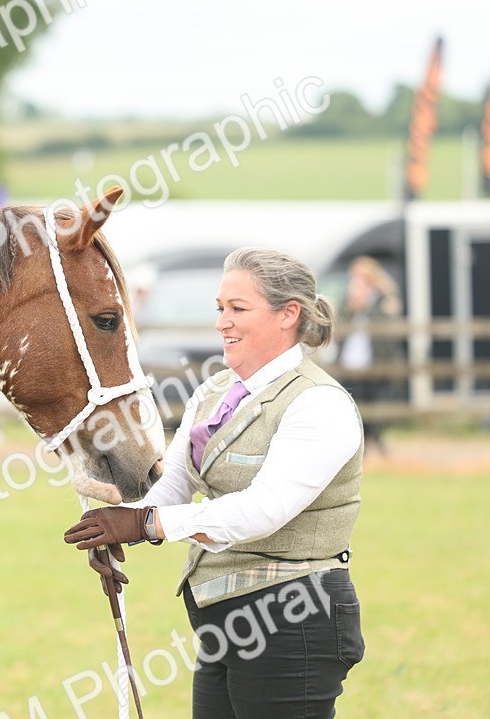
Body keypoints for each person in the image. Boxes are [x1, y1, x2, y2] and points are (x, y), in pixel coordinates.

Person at [64, 247, 365, 719]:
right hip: (221, 619)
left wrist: (145, 524)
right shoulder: (213, 392)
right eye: (220, 308)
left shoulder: (319, 404)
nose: (222, 322)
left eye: (238, 309)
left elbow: (263, 510)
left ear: (289, 314)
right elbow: (176, 484)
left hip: (293, 618)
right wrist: (115, 523)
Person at [336, 255, 403, 453]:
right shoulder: (347, 301)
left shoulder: (383, 300)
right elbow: (338, 327)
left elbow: (389, 331)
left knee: (373, 405)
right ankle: (367, 444)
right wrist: (352, 308)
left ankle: (372, 442)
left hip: (375, 362)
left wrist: (367, 308)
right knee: (353, 406)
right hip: (350, 362)